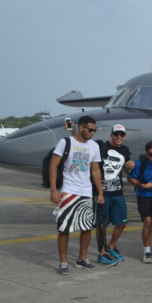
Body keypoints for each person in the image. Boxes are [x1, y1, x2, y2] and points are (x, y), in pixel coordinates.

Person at [48, 115, 104, 275]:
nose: (93, 133)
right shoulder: (65, 143)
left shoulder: (94, 146)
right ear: (81, 127)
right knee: (64, 228)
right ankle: (63, 262)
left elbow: (95, 170)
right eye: (90, 129)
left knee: (86, 228)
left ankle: (82, 258)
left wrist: (100, 192)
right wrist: (53, 189)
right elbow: (53, 165)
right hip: (68, 191)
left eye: (95, 130)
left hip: (86, 192)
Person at [95, 124, 135, 266]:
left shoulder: (125, 150)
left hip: (118, 193)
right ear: (111, 135)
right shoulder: (102, 146)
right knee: (102, 225)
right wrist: (72, 130)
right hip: (103, 193)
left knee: (122, 223)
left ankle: (111, 247)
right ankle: (101, 253)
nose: (119, 137)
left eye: (121, 135)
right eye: (116, 134)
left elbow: (125, 169)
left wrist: (129, 167)